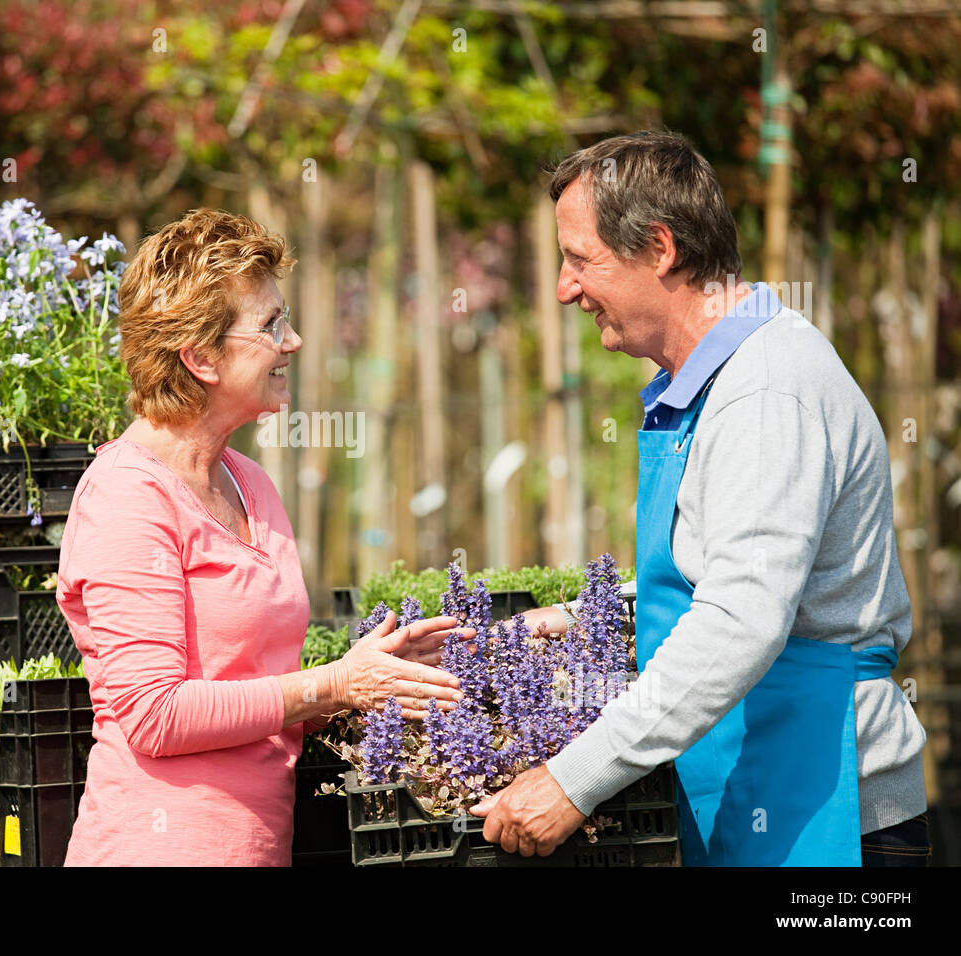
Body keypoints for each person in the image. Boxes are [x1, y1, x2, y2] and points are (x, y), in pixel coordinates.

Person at [472, 131, 930, 866]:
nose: (564, 287)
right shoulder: (710, 385)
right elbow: (718, 573)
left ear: (659, 248)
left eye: (580, 258)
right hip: (759, 788)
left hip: (832, 810)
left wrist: (572, 781)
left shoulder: (766, 390)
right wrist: (587, 619)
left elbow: (740, 618)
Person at [56, 208, 469, 866]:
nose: (295, 341)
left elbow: (254, 693)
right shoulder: (126, 499)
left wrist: (376, 672)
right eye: (272, 324)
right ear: (199, 357)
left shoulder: (249, 483)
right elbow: (155, 713)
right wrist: (334, 684)